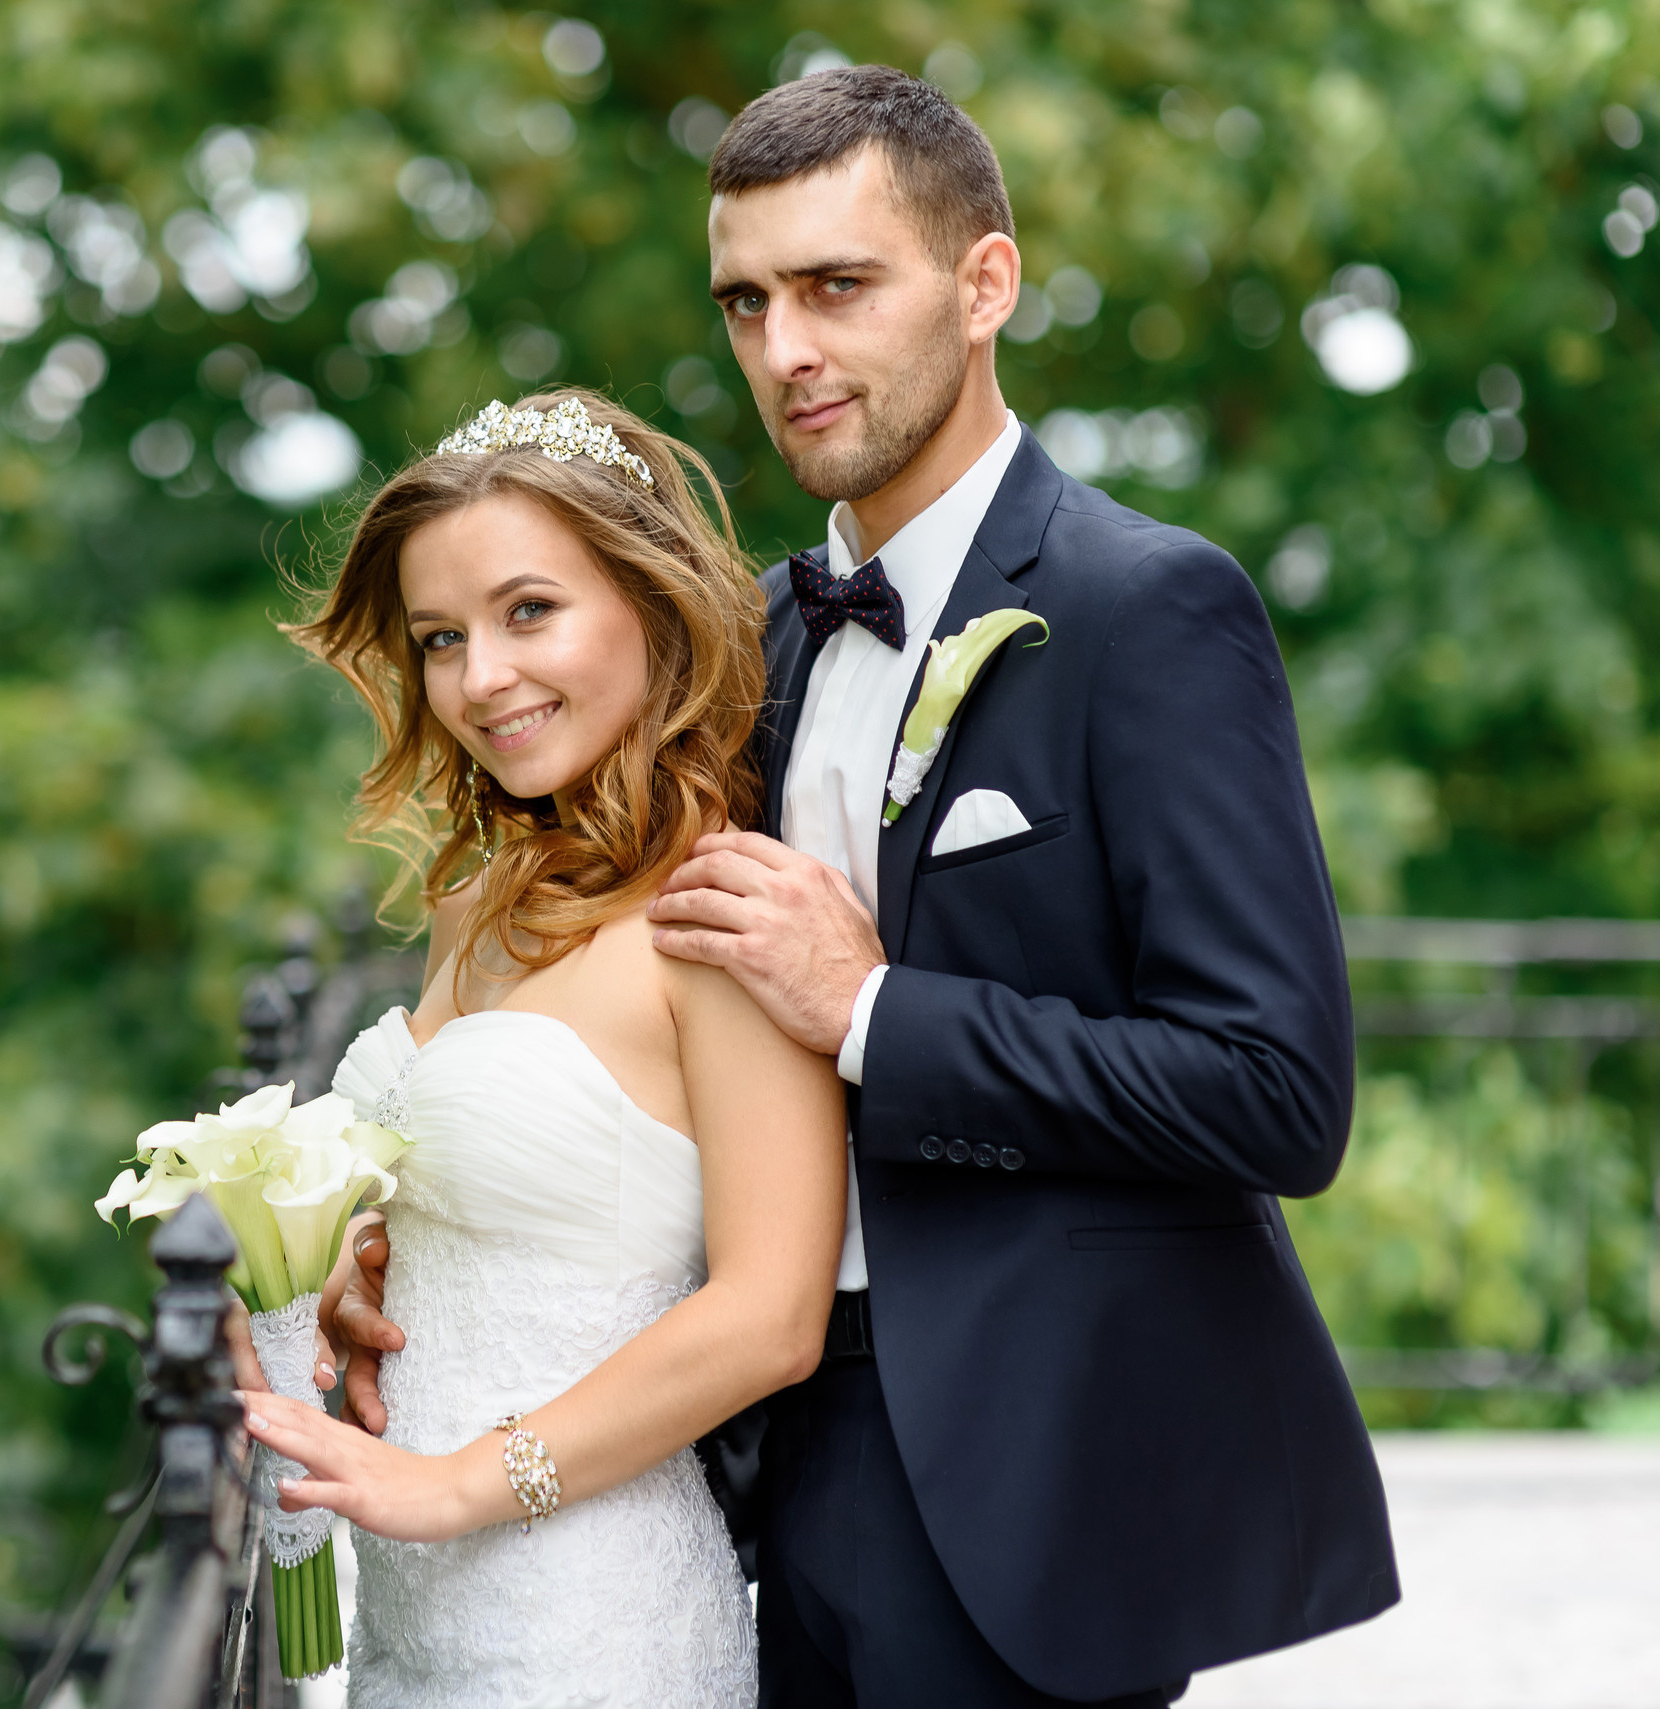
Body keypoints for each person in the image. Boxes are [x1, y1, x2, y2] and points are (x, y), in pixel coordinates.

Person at [329, 65, 1399, 1707]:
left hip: (1029, 1466)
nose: (787, 351)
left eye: (837, 287)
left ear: (986, 285)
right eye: (748, 302)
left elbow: (1275, 1090)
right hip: (745, 1471)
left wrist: (878, 1012)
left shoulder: (1146, 609)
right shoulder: (733, 649)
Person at [234, 390, 849, 1706]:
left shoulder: (719, 912)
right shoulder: (483, 892)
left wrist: (461, 1481)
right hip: (412, 1622)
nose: (481, 679)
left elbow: (769, 1315)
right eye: (442, 637)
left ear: (650, 603)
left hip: (592, 1625)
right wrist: (357, 1277)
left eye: (530, 612)